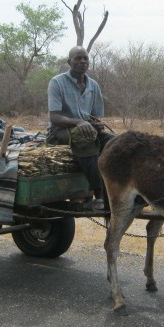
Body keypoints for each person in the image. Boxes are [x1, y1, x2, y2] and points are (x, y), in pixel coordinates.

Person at [47, 46, 115, 210]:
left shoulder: (93, 85)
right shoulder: (57, 82)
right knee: (85, 139)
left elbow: (96, 116)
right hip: (59, 131)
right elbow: (54, 117)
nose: (83, 61)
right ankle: (99, 195)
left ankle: (123, 188)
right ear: (69, 62)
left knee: (117, 142)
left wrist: (97, 124)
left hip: (87, 129)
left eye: (85, 58)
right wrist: (78, 122)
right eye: (78, 58)